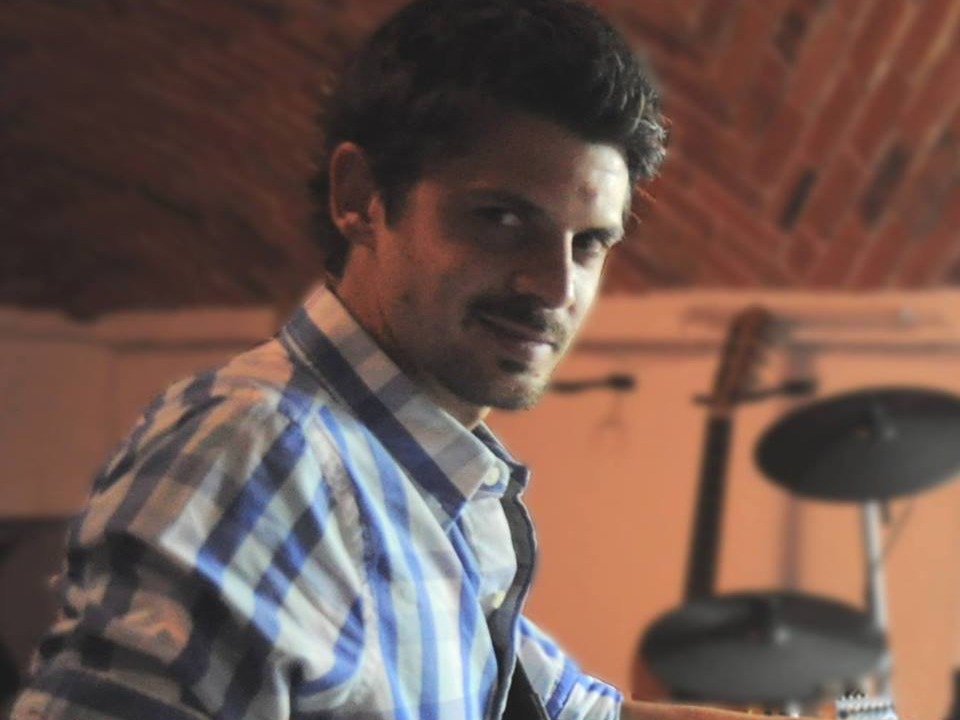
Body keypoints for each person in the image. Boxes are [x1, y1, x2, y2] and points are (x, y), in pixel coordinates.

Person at [10, 1, 809, 718]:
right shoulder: (260, 452)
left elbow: (568, 711)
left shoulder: (422, 476)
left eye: (589, 243)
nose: (555, 285)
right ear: (359, 196)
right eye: (501, 218)